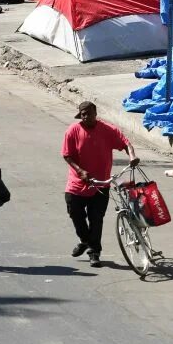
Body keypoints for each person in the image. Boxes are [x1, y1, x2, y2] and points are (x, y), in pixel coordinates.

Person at [62, 101, 138, 268]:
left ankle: (94, 252)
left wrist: (132, 157)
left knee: (96, 219)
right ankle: (84, 240)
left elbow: (126, 143)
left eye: (89, 113)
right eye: (83, 114)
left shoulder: (107, 130)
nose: (86, 117)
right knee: (76, 215)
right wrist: (80, 171)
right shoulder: (73, 131)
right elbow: (67, 155)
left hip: (100, 184)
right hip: (77, 184)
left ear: (95, 113)